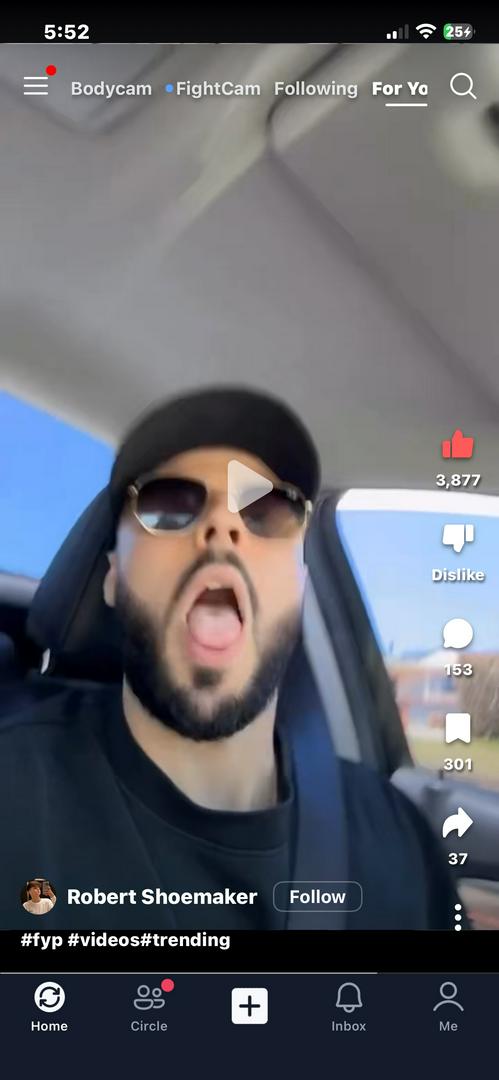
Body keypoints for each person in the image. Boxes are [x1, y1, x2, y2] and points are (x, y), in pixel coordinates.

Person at [0, 386, 465, 930]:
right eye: (168, 505)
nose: (224, 525)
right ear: (113, 577)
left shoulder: (401, 845)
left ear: (300, 584)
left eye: (266, 509)